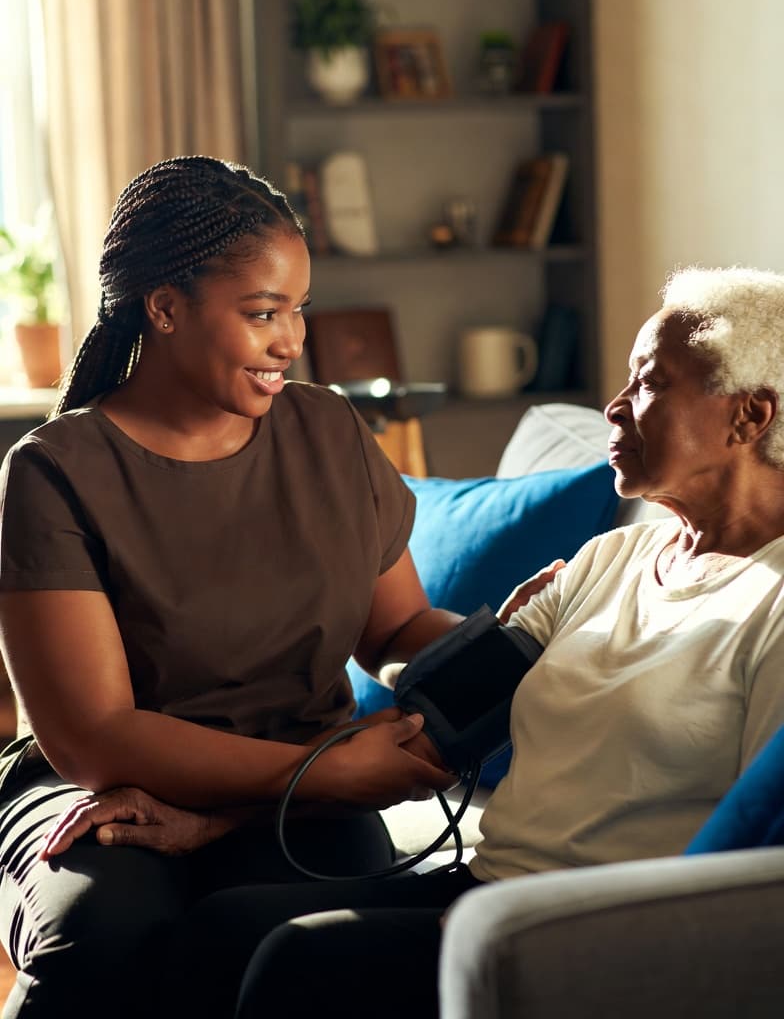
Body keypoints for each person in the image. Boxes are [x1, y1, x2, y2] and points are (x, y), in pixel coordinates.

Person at [39, 263, 784, 1019]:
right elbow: (424, 741)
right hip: (488, 888)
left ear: (749, 417)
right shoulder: (607, 561)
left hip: (590, 926)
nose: (615, 407)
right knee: (221, 931)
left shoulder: (776, 605)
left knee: (295, 961)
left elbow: (756, 860)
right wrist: (205, 823)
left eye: (651, 384)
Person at [0, 155, 473, 1018]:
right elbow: (95, 739)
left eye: (297, 311)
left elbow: (396, 627)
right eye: (262, 313)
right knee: (104, 934)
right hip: (109, 796)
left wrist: (530, 638)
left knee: (318, 942)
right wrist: (325, 776)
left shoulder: (327, 428)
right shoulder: (55, 472)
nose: (291, 340)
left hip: (304, 793)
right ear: (167, 308)